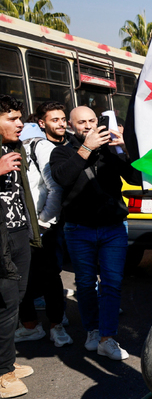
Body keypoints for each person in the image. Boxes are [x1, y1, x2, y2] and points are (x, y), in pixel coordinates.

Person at [50, 107, 140, 361]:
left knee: (112, 283)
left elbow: (135, 177)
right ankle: (92, 330)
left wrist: (123, 148)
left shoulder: (111, 150)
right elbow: (63, 178)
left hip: (113, 227)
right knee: (86, 283)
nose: (88, 126)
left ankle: (107, 338)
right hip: (79, 229)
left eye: (92, 120)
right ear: (71, 125)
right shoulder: (63, 151)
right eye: (82, 122)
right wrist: (87, 148)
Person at [16, 101, 70, 347]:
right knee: (20, 278)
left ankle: (56, 326)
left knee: (49, 276)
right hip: (18, 226)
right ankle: (30, 326)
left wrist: (44, 221)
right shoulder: (10, 147)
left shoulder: (40, 147)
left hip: (42, 225)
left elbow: (54, 188)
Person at [0, 96, 39, 398]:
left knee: (18, 297)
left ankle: (6, 360)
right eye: (12, 118)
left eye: (20, 118)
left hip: (18, 233)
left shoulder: (15, 148)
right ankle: (4, 373)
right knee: (6, 303)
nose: (20, 124)